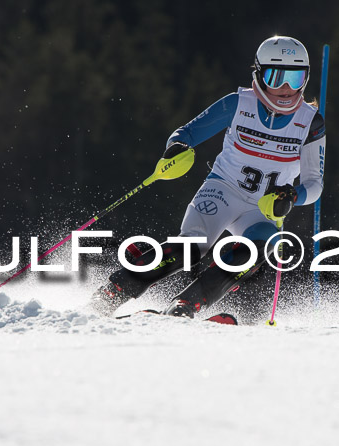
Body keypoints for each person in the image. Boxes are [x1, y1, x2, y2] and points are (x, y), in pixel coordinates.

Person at [91, 35, 326, 318]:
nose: (286, 88)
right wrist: (176, 148)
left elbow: (315, 184)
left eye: (296, 78)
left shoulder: (310, 122)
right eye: (276, 77)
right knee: (192, 246)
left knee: (257, 250)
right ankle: (114, 292)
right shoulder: (238, 104)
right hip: (223, 190)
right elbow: (186, 133)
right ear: (260, 75)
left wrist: (293, 196)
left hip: (262, 210)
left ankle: (186, 305)